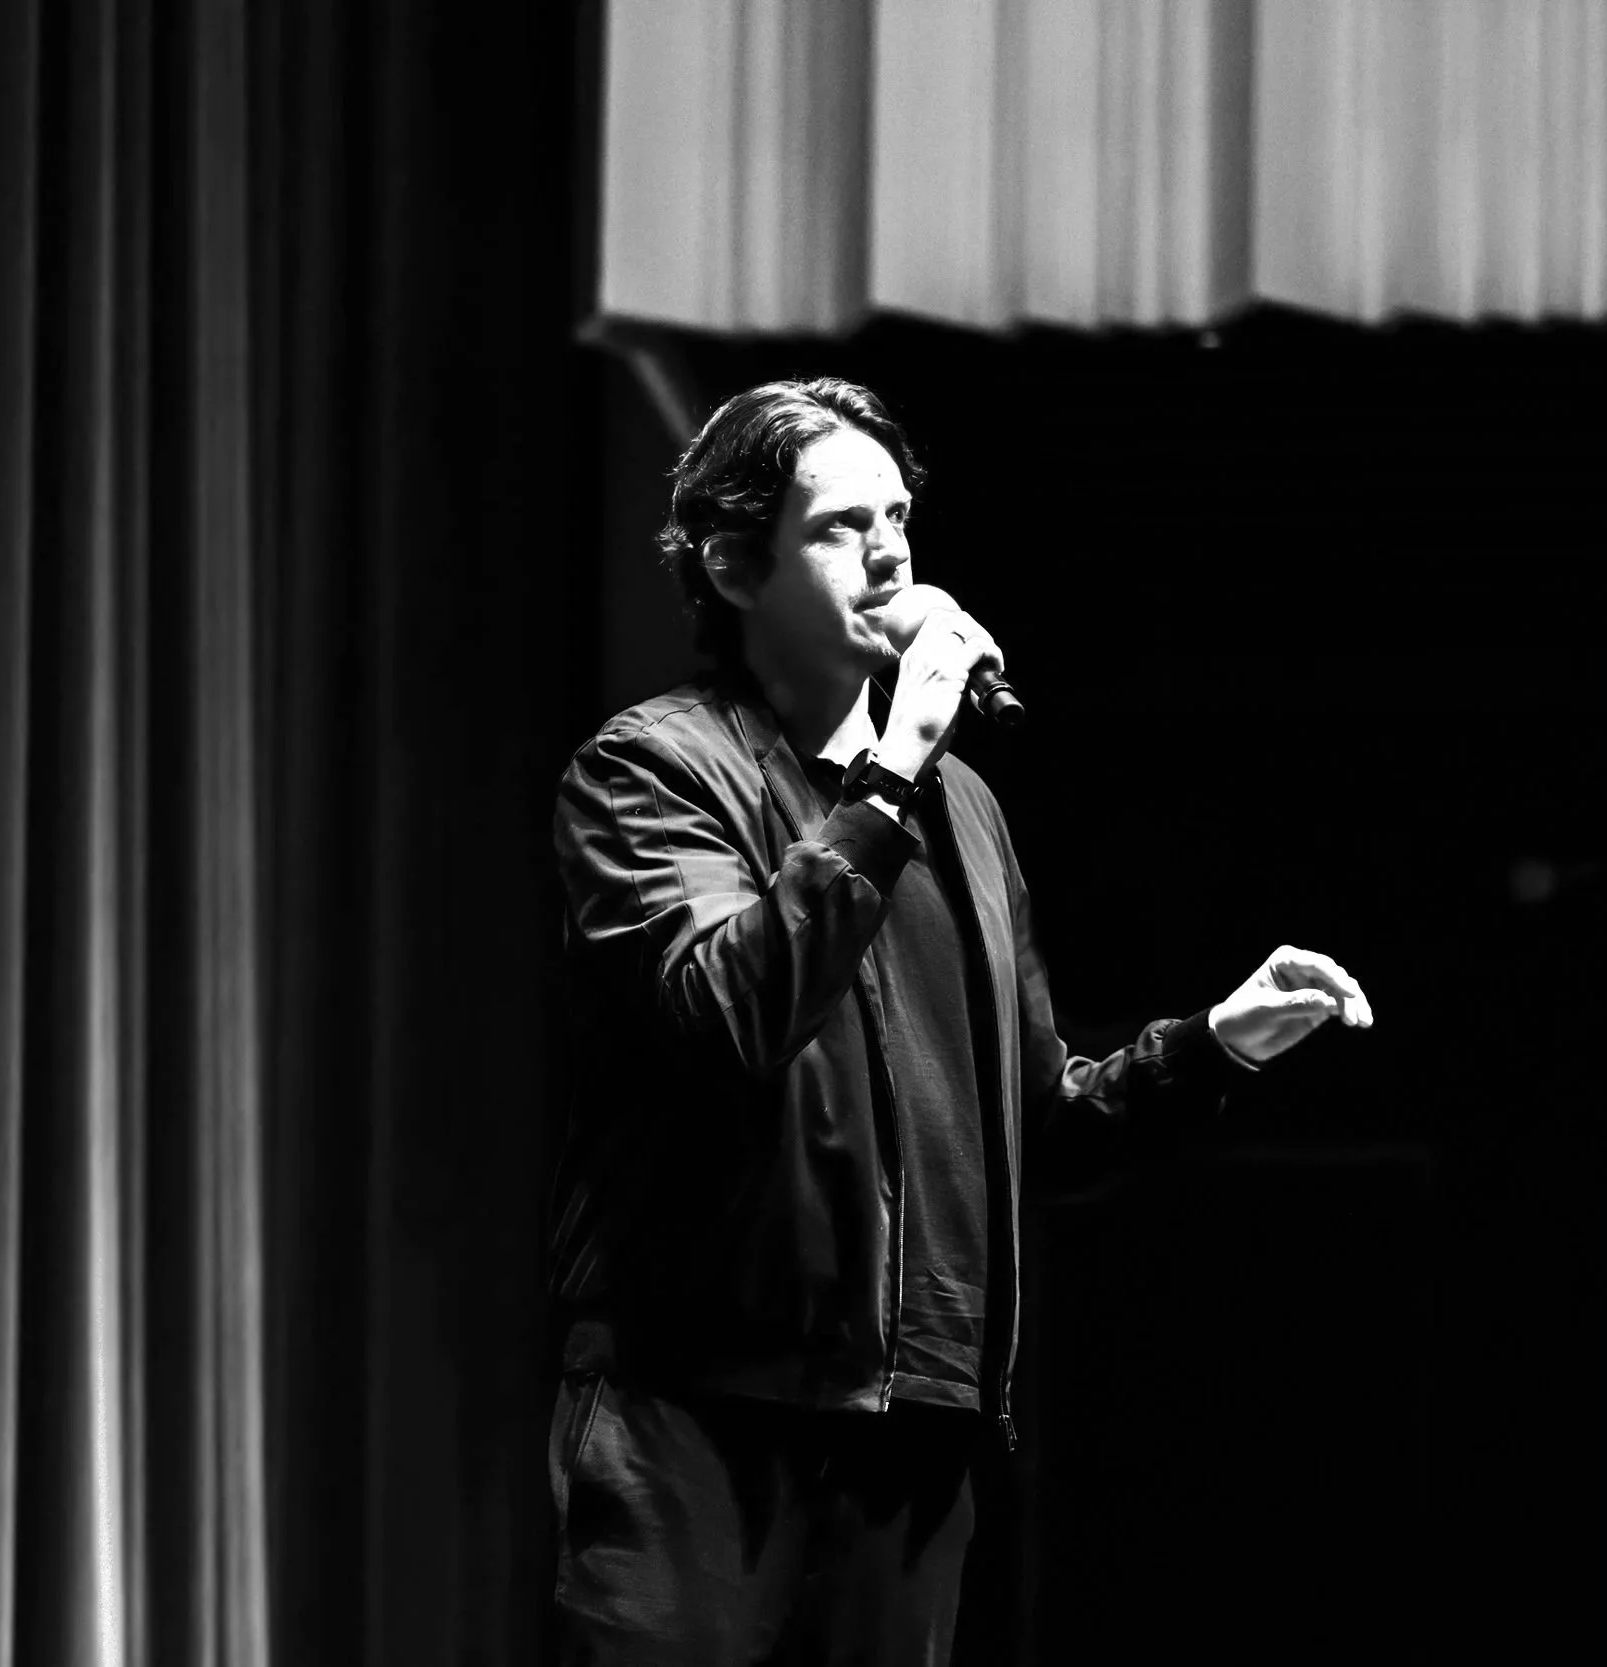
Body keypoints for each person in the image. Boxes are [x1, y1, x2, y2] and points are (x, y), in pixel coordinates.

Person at [546, 377, 1373, 1665]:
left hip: (914, 1433)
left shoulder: (965, 813)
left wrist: (1210, 1047)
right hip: (702, 1415)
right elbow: (723, 1011)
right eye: (838, 527)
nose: (890, 553)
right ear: (730, 560)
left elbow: (1030, 1128)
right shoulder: (652, 770)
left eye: (901, 521)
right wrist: (884, 774)